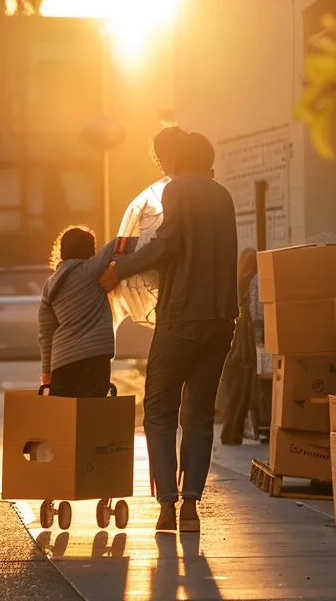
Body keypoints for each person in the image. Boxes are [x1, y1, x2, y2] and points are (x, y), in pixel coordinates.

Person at [100, 128, 238, 532]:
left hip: (181, 318)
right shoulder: (223, 196)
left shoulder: (177, 190)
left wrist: (119, 270)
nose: (162, 169)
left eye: (162, 160)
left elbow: (168, 244)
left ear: (174, 160)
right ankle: (191, 507)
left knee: (159, 411)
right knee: (198, 413)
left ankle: (165, 507)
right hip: (221, 320)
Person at [38, 226, 119, 397]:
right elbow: (123, 242)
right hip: (95, 357)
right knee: (91, 416)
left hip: (62, 361)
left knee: (65, 419)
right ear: (91, 251)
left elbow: (46, 333)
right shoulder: (92, 268)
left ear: (62, 251)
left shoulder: (49, 285)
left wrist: (46, 371)